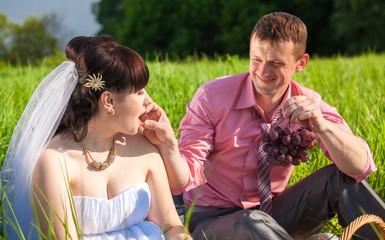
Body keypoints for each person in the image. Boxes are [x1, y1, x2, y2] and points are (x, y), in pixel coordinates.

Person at [142, 12, 385, 239]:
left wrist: (322, 126)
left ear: (300, 63)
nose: (263, 71)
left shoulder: (307, 103)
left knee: (341, 180)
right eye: (256, 59)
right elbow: (183, 179)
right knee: (252, 220)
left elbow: (360, 166)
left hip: (275, 216)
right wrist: (169, 145)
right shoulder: (213, 97)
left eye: (276, 63)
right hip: (211, 220)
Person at [0, 35, 191, 240]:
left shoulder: (145, 147)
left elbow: (171, 225)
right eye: (139, 92)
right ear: (108, 101)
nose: (148, 102)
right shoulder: (55, 161)